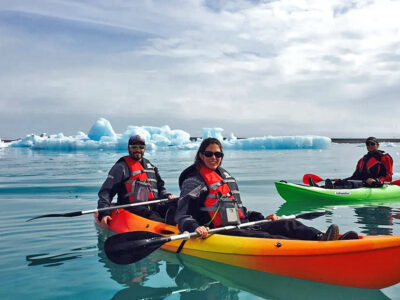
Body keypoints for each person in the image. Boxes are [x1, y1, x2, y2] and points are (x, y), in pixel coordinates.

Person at [175, 137, 358, 241]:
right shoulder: (193, 181)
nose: (213, 157)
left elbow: (239, 209)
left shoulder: (225, 177)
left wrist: (261, 217)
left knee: (285, 223)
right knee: (265, 236)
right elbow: (182, 215)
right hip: (218, 233)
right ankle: (315, 248)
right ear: (200, 155)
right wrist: (195, 227)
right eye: (209, 154)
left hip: (240, 225)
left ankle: (321, 238)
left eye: (218, 154)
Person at [97, 134, 176, 227]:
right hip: (133, 208)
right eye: (134, 147)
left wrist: (167, 195)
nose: (137, 149)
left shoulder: (151, 167)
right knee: (154, 216)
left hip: (155, 204)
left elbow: (160, 187)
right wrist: (104, 212)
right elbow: (107, 192)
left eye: (141, 146)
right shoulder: (121, 167)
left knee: (176, 205)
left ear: (145, 149)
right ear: (128, 148)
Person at [326, 137, 393, 189]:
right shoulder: (362, 160)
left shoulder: (385, 157)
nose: (370, 146)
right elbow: (355, 176)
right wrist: (342, 180)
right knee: (340, 183)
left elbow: (388, 177)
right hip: (362, 183)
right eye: (368, 144)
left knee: (349, 184)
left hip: (375, 184)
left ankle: (331, 190)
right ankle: (323, 188)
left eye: (372, 144)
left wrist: (376, 180)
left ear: (377, 145)